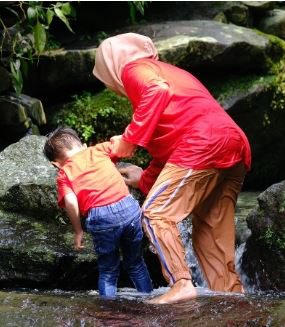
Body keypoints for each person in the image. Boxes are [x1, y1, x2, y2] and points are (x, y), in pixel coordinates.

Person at [92, 33, 252, 304]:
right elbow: (169, 154)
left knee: (156, 214)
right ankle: (230, 299)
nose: (110, 87)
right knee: (208, 233)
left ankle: (181, 283)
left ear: (111, 65)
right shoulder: (171, 73)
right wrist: (142, 179)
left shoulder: (133, 68)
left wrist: (128, 140)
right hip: (231, 145)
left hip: (204, 143)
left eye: (105, 79)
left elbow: (157, 91)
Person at [43, 127, 153, 299]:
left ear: (56, 164)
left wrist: (78, 230)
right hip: (129, 209)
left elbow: (71, 202)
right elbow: (122, 144)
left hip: (101, 218)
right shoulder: (98, 149)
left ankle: (108, 314)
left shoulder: (64, 173)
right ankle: (150, 302)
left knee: (109, 271)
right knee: (136, 263)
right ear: (84, 145)